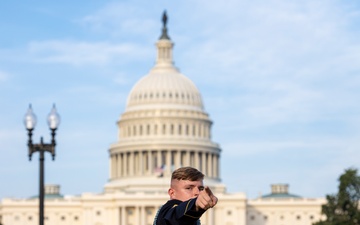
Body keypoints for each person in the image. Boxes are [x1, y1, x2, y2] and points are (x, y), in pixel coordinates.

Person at [153, 167, 218, 225]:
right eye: (189, 188)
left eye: (200, 188)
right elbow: (177, 215)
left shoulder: (191, 217)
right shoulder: (167, 212)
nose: (197, 193)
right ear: (172, 193)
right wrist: (195, 205)